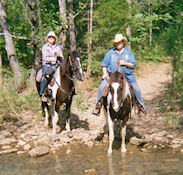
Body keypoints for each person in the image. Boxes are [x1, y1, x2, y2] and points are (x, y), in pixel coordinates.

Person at [92, 33, 147, 116]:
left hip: (126, 76)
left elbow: (133, 65)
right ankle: (98, 106)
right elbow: (104, 65)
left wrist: (125, 63)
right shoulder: (110, 53)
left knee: (136, 89)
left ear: (123, 42)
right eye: (116, 43)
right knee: (101, 88)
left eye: (120, 42)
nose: (118, 44)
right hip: (112, 77)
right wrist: (104, 74)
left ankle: (141, 107)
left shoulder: (128, 53)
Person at [40, 31, 63, 101]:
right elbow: (44, 58)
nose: (51, 38)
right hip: (47, 65)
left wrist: (60, 56)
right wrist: (51, 59)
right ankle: (42, 93)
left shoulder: (58, 47)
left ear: (55, 39)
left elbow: (62, 57)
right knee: (46, 76)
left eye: (52, 37)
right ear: (47, 38)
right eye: (50, 37)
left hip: (56, 65)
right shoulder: (45, 47)